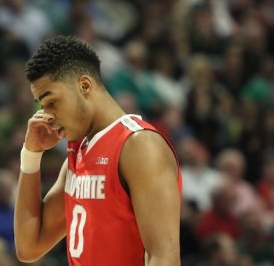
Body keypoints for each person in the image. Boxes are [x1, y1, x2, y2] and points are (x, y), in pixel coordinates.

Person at [14, 35, 182, 265]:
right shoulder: (78, 152)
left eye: (51, 102)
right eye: (42, 106)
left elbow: (165, 257)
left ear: (84, 85)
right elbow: (29, 246)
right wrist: (31, 154)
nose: (47, 116)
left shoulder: (139, 145)